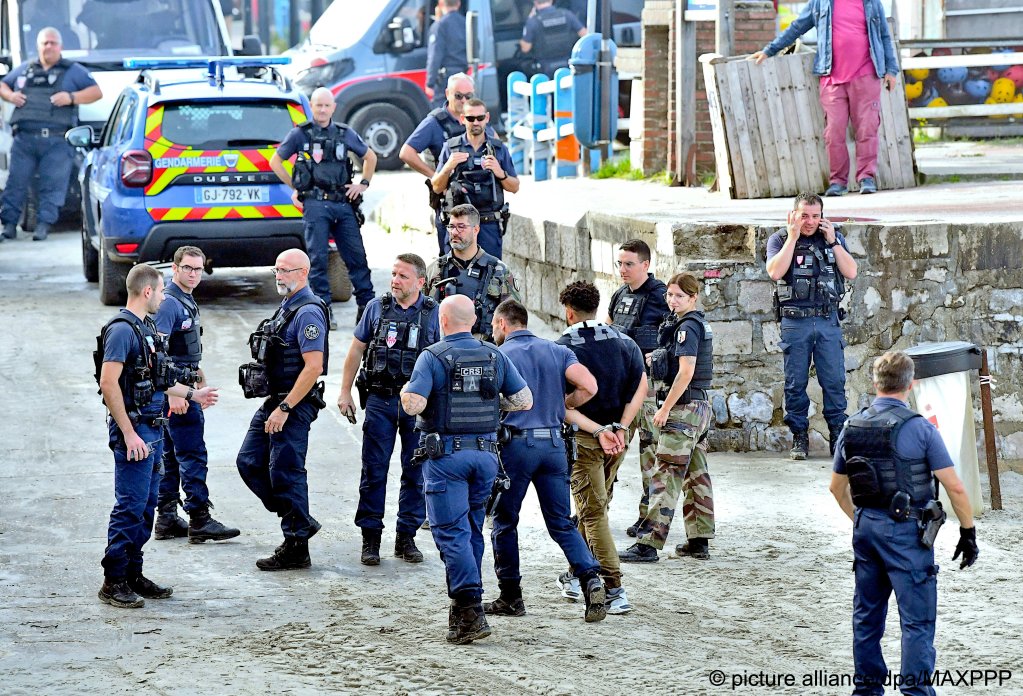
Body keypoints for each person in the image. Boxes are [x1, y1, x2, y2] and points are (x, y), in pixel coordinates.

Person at [830, 350, 978, 696]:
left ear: (875, 383)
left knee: (867, 618)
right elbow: (955, 486)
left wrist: (863, 519)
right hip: (906, 533)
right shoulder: (920, 429)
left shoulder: (852, 425)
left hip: (866, 529)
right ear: (910, 385)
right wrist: (967, 532)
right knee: (917, 622)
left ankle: (866, 691)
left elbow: (837, 488)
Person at [400, 295, 532, 645]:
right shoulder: (494, 354)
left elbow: (415, 403)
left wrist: (406, 394)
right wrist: (489, 403)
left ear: (442, 321)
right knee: (472, 529)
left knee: (450, 532)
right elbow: (524, 400)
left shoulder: (433, 356)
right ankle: (464, 612)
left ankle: (470, 608)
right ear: (473, 320)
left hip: (447, 460)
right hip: (486, 457)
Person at [96, 264, 218, 608]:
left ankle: (133, 573)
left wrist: (194, 394)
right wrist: (129, 432)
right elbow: (108, 383)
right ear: (147, 291)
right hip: (136, 432)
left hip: (153, 429)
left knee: (147, 507)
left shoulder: (145, 327)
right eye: (161, 291)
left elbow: (160, 378)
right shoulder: (121, 331)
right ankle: (114, 580)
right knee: (130, 507)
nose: (164, 297)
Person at [485, 299, 607, 623]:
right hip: (554, 445)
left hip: (516, 448)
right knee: (561, 522)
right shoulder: (557, 350)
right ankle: (591, 579)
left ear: (502, 324)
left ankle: (511, 596)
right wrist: (561, 403)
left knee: (504, 520)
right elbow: (590, 386)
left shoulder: (499, 355)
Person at [337, 253, 440, 566]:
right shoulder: (376, 308)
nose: (395, 280)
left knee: (415, 473)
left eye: (403, 276)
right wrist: (344, 391)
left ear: (421, 282)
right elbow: (357, 349)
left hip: (418, 406)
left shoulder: (434, 313)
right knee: (373, 472)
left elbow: (444, 357)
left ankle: (406, 537)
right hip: (380, 401)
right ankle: (371, 539)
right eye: (393, 274)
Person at [555, 281, 647, 615]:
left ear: (569, 311)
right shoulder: (625, 341)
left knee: (592, 510)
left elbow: (561, 405)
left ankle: (613, 587)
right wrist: (621, 426)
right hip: (621, 435)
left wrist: (599, 430)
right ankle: (577, 569)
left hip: (586, 436)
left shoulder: (563, 346)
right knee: (596, 502)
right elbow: (641, 387)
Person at [236, 249, 330, 571]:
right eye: (276, 269)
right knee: (249, 461)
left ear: (303, 273)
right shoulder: (287, 306)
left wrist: (286, 407)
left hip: (294, 404)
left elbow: (313, 366)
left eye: (285, 271)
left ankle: (296, 546)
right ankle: (299, 518)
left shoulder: (308, 312)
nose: (278, 276)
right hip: (274, 401)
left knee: (286, 471)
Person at [751, 0, 898, 196]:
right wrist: (770, 50)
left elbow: (884, 36)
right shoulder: (820, 3)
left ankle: (866, 178)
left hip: (866, 73)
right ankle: (838, 182)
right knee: (834, 132)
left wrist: (891, 70)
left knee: (867, 128)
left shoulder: (871, 2)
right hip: (831, 77)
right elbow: (797, 27)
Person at [619, 273, 715, 563]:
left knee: (666, 474)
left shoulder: (688, 327)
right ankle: (699, 539)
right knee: (697, 475)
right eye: (670, 295)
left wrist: (663, 409)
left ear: (693, 297)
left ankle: (648, 544)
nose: (673, 300)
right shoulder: (692, 323)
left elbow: (686, 372)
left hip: (683, 409)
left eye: (679, 296)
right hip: (699, 408)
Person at [152, 246, 240, 544]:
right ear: (175, 268)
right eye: (187, 268)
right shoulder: (169, 303)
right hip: (176, 392)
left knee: (172, 455)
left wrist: (197, 374)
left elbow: (183, 346)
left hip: (183, 385)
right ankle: (200, 519)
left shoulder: (184, 299)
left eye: (198, 269)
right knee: (191, 453)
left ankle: (166, 519)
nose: (193, 274)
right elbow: (158, 350)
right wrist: (176, 393)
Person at [269, 87, 376, 330]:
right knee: (317, 259)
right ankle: (323, 309)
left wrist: (363, 184)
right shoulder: (300, 134)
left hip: (342, 202)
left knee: (356, 255)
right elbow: (275, 161)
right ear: (312, 107)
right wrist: (296, 186)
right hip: (315, 203)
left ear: (333, 107)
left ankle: (367, 309)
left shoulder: (344, 133)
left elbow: (370, 157)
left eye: (326, 105)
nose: (322, 109)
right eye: (318, 105)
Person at [766, 193, 858, 459]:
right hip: (795, 321)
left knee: (834, 381)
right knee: (795, 382)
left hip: (827, 319)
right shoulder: (780, 240)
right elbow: (775, 272)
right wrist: (793, 237)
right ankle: (799, 437)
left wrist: (833, 242)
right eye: (804, 215)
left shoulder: (833, 237)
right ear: (794, 214)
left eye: (815, 216)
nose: (809, 222)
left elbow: (851, 272)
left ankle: (837, 438)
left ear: (822, 215)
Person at [0, 28, 101, 242]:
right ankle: (8, 225)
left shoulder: (73, 70)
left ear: (60, 47)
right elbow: (3, 84)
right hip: (25, 138)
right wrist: (11, 95)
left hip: (56, 139)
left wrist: (71, 97)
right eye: (45, 43)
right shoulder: (26, 69)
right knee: (15, 183)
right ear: (39, 46)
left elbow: (96, 92)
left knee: (52, 185)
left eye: (53, 43)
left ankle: (43, 226)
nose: (48, 47)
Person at [605, 239, 669, 538]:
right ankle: (596, 509)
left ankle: (649, 519)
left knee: (651, 455)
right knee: (609, 450)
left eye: (629, 264)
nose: (623, 269)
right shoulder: (619, 295)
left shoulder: (661, 296)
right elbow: (606, 332)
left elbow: (676, 335)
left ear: (646, 264)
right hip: (620, 384)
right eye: (619, 263)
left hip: (650, 387)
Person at [400, 73, 493, 256]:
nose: (464, 100)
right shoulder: (435, 122)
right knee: (453, 264)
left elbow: (497, 146)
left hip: (480, 203)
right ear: (448, 94)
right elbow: (406, 153)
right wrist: (435, 175)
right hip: (451, 203)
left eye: (469, 96)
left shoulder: (476, 118)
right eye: (458, 96)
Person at [432, 99, 519, 259]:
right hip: (459, 224)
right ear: (463, 119)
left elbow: (514, 187)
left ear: (487, 118)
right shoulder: (451, 147)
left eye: (480, 118)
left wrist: (500, 172)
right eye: (471, 118)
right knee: (454, 277)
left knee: (491, 277)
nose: (476, 122)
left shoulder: (498, 148)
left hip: (488, 223)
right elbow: (436, 187)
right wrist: (448, 167)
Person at [425, 203, 519, 343]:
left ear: (476, 229)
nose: (454, 232)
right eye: (451, 226)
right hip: (442, 352)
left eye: (461, 227)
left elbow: (514, 322)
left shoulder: (499, 271)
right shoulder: (435, 269)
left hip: (484, 353)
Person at [520, 0, 587, 77]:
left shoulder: (533, 21)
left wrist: (528, 21)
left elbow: (525, 48)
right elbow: (585, 36)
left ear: (535, 2)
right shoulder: (567, 14)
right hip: (567, 64)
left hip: (545, 68)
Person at [425, 0, 468, 108]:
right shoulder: (466, 23)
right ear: (458, 3)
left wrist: (430, 82)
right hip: (464, 74)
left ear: (440, 4)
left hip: (446, 78)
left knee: (441, 111)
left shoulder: (439, 26)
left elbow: (435, 56)